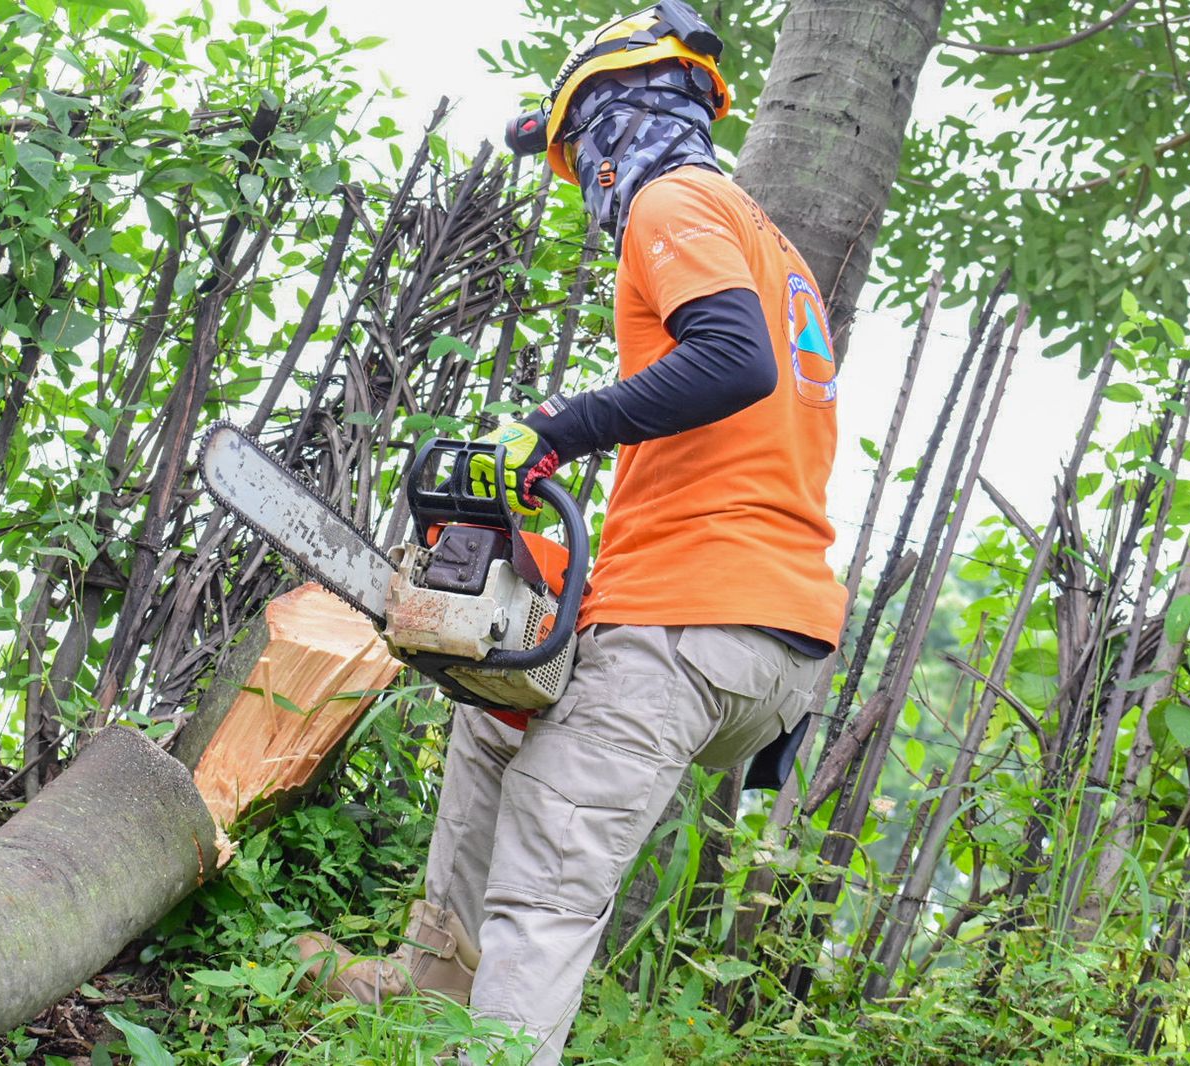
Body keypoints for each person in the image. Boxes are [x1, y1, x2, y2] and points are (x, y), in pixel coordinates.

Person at [295, 4, 847, 1060]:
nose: (580, 178)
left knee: (547, 877)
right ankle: (430, 983)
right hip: (755, 636)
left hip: (693, 619)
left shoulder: (674, 201)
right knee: (495, 718)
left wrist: (552, 430)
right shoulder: (759, 238)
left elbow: (733, 362)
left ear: (611, 118)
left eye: (574, 149)